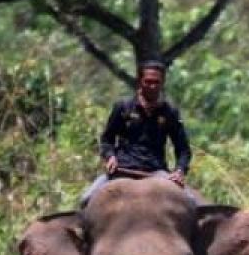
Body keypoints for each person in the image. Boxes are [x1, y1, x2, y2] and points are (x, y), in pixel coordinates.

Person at [81, 60, 194, 205]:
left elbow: (183, 149)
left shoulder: (170, 112)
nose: (152, 86)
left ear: (163, 82)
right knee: (86, 199)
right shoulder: (123, 107)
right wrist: (110, 156)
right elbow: (107, 139)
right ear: (140, 81)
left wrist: (179, 170)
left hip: (157, 172)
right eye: (148, 82)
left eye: (157, 82)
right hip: (122, 169)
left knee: (191, 202)